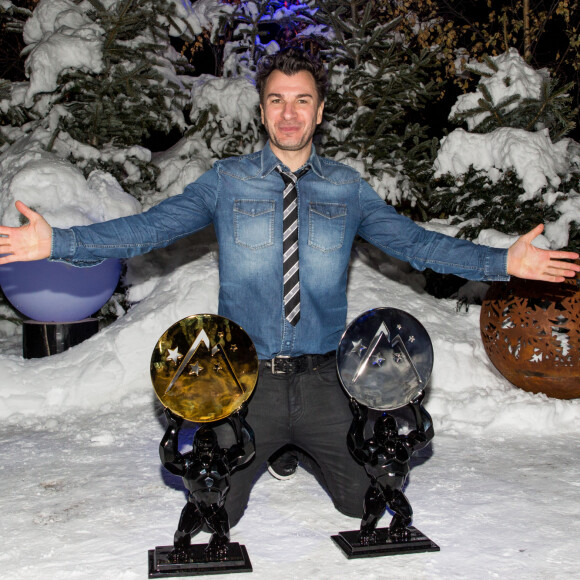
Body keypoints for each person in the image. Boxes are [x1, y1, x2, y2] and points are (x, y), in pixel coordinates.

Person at [1, 48, 579, 528]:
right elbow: (150, 226)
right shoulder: (226, 182)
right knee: (215, 509)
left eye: (302, 100)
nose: (289, 113)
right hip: (245, 381)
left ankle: (300, 446)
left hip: (326, 376)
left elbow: (416, 244)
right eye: (277, 100)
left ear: (320, 111)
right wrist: (59, 244)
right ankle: (276, 445)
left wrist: (503, 259)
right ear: (262, 110)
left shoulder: (347, 189)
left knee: (367, 503)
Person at [159, 407, 255, 560]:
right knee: (182, 536)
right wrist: (173, 427)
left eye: (209, 446)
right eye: (202, 446)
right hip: (195, 505)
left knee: (222, 536)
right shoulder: (189, 462)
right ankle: (181, 550)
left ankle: (217, 546)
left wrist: (238, 420)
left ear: (215, 445)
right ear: (195, 445)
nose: (206, 450)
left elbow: (248, 450)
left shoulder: (223, 460)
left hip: (217, 507)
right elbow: (168, 459)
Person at [347, 394, 433, 544]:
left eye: (391, 429)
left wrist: (417, 407)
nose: (388, 433)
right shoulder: (373, 447)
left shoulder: (403, 445)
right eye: (384, 430)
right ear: (377, 431)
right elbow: (355, 446)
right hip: (377, 489)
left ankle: (396, 529)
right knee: (371, 516)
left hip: (395, 491)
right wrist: (359, 419)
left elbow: (425, 434)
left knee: (406, 514)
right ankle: (368, 531)